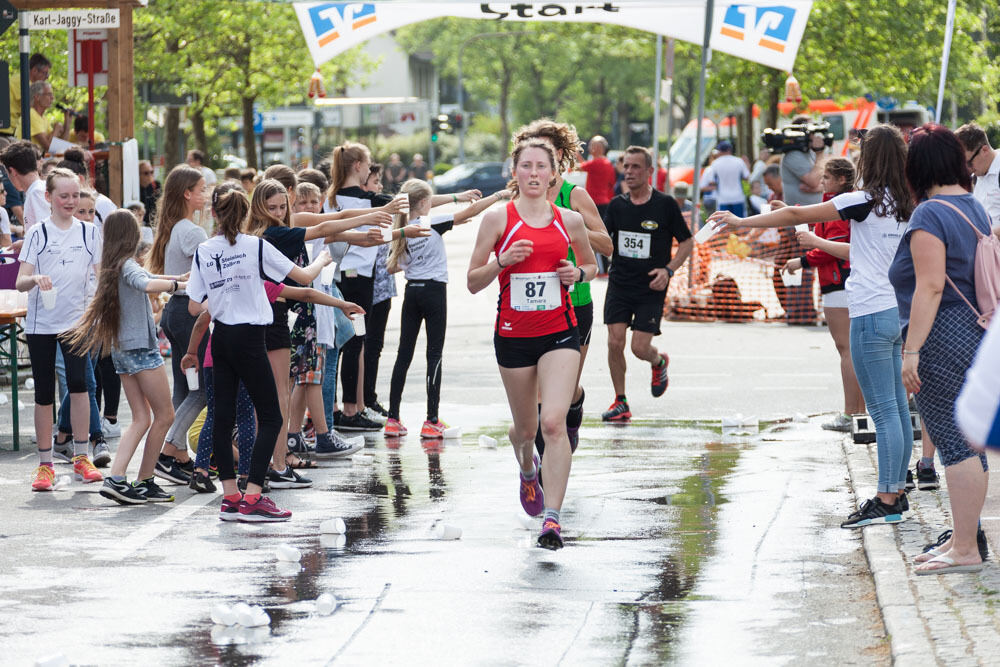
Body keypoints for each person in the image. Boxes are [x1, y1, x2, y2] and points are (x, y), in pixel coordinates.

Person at [709, 124, 915, 529]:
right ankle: (897, 491)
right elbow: (862, 249)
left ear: (868, 160)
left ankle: (888, 498)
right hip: (897, 312)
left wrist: (740, 221)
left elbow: (799, 212)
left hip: (871, 313)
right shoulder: (905, 204)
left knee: (884, 411)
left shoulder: (862, 199)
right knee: (897, 410)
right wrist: (815, 243)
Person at [467, 139, 597, 550]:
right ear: (516, 173)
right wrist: (502, 262)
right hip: (513, 336)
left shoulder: (570, 220)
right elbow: (472, 281)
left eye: (542, 166)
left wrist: (576, 274)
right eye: (527, 166)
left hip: (560, 332)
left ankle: (553, 520)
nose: (535, 174)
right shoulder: (497, 220)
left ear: (554, 174)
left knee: (553, 423)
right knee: (525, 430)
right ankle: (527, 469)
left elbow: (592, 265)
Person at [185, 188, 331, 522]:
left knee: (222, 419)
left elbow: (195, 305)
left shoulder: (204, 250)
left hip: (220, 337)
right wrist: (322, 259)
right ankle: (253, 497)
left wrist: (224, 300)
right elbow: (304, 277)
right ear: (247, 213)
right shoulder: (256, 245)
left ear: (215, 215)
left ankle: (230, 498)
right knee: (270, 417)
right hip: (250, 337)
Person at [888, 123, 991, 574]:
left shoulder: (930, 214)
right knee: (969, 441)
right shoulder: (973, 206)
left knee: (953, 441)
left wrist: (911, 352)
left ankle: (965, 547)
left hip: (941, 333)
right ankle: (965, 539)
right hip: (974, 330)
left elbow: (930, 287)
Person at [63, 211, 186, 504]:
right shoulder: (127, 265)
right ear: (131, 236)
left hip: (122, 350)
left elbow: (146, 277)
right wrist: (179, 286)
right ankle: (143, 480)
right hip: (140, 350)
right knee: (165, 415)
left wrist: (176, 277)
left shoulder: (113, 265)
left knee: (142, 418)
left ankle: (119, 478)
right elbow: (144, 283)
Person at [511, 118, 613, 453]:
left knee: (564, 392)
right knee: (540, 394)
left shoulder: (575, 195)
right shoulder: (520, 196)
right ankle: (543, 468)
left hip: (574, 302)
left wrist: (572, 225)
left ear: (558, 158)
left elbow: (607, 246)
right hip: (532, 306)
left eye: (546, 154)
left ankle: (576, 404)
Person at [384, 180, 511, 438]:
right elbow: (471, 213)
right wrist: (498, 195)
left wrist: (415, 259)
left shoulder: (404, 228)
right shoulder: (431, 223)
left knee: (403, 355)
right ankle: (431, 420)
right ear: (422, 203)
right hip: (433, 291)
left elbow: (391, 267)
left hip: (412, 292)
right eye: (429, 201)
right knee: (434, 355)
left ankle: (393, 418)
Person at [16, 168, 103, 491]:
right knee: (43, 391)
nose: (70, 201)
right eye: (63, 196)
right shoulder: (38, 233)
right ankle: (45, 464)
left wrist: (99, 313)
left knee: (79, 385)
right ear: (48, 197)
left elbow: (100, 277)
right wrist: (36, 278)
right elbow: (20, 281)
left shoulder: (89, 233)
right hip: (42, 323)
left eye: (75, 195)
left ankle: (82, 456)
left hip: (77, 322)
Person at [602, 146, 693, 422]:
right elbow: (605, 241)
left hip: (651, 286)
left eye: (635, 167)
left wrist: (669, 270)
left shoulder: (665, 205)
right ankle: (621, 401)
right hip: (620, 283)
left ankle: (658, 361)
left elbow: (687, 242)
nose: (628, 172)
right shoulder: (617, 206)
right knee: (615, 342)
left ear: (650, 171)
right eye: (626, 167)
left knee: (639, 348)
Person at [781, 157, 863, 431]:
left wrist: (802, 261)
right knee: (852, 350)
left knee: (847, 350)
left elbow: (835, 245)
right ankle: (857, 413)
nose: (822, 181)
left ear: (841, 179)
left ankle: (852, 413)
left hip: (840, 282)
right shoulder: (838, 202)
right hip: (839, 281)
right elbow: (816, 226)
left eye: (827, 177)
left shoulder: (842, 205)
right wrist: (789, 212)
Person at [147, 165, 208, 485]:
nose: (206, 195)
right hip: (189, 314)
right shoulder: (191, 231)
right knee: (204, 388)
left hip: (176, 312)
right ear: (187, 193)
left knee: (186, 387)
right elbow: (210, 274)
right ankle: (169, 450)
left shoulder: (174, 229)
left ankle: (177, 452)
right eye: (201, 189)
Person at [955, 122, 1000, 231]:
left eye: (969, 163)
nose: (968, 169)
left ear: (984, 150)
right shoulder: (975, 177)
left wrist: (988, 236)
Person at [2, 140, 47, 232]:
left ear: (13, 172)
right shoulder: (37, 189)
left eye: (7, 173)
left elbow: (45, 232)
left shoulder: (36, 192)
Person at [780, 115, 826, 207]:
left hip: (811, 213)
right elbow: (813, 181)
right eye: (812, 131)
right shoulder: (793, 155)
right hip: (799, 215)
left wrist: (818, 188)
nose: (815, 134)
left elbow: (825, 178)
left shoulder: (810, 152)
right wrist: (820, 154)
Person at [3, 53, 50, 139]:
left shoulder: (23, 81)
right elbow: (31, 108)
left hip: (10, 131)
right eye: (45, 73)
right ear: (35, 70)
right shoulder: (22, 82)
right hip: (5, 131)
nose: (47, 77)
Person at [702, 140, 749, 216]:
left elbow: (711, 181)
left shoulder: (715, 163)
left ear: (720, 151)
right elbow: (746, 177)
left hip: (723, 198)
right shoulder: (739, 161)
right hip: (738, 197)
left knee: (725, 224)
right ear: (730, 150)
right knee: (740, 223)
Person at [578, 135, 616, 219]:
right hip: (605, 200)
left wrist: (576, 154)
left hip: (594, 202)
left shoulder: (596, 163)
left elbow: (577, 167)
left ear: (598, 147)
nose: (589, 147)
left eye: (592, 145)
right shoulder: (608, 163)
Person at [29, 81, 71, 152]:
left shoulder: (43, 118)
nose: (52, 98)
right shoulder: (31, 114)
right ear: (37, 97)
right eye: (49, 94)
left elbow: (60, 147)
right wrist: (56, 130)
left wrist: (67, 123)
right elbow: (49, 147)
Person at [138, 160, 160, 226]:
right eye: (146, 173)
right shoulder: (137, 190)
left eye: (151, 172)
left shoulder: (156, 185)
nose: (150, 175)